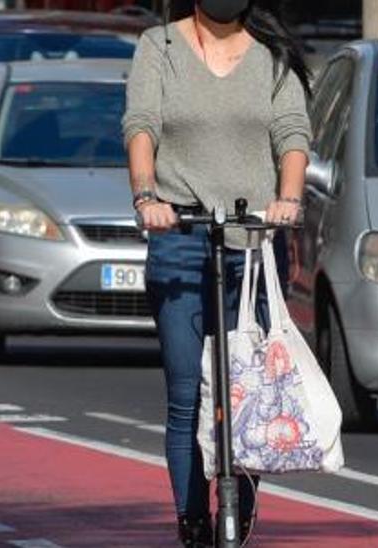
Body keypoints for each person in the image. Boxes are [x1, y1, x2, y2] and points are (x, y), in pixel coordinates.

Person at [123, 0, 311, 544]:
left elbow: (293, 134)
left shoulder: (272, 56)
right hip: (180, 238)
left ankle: (241, 507)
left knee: (245, 390)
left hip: (251, 244)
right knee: (187, 390)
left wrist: (288, 200)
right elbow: (141, 126)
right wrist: (146, 196)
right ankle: (191, 518)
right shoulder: (158, 48)